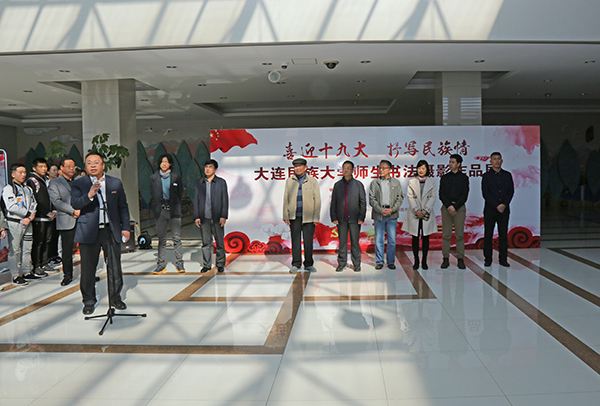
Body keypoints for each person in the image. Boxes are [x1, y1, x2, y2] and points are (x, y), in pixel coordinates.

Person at [71, 152, 131, 315]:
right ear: (85, 166)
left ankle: (116, 298)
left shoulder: (115, 183)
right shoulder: (79, 184)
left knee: (114, 266)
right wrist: (89, 195)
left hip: (110, 230)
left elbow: (123, 207)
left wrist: (125, 227)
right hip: (89, 231)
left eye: (96, 162)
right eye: (89, 163)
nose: (93, 165)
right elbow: (75, 203)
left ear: (103, 165)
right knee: (88, 268)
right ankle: (89, 300)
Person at [1, 163, 38, 285]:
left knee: (27, 248)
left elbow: (34, 203)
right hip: (15, 223)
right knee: (15, 250)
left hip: (28, 222)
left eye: (24, 172)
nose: (23, 175)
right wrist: (27, 214)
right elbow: (11, 206)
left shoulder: (28, 189)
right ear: (13, 174)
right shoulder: (9, 188)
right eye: (20, 172)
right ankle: (16, 275)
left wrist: (31, 216)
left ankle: (27, 271)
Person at [283, 158, 321, 273]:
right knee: (295, 241)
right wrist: (286, 216)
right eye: (296, 166)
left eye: (300, 166)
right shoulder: (290, 181)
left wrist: (316, 217)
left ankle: (309, 264)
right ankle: (296, 263)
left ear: (305, 168)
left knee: (308, 242)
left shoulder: (312, 181)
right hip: (294, 217)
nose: (298, 168)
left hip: (308, 217)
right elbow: (286, 199)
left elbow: (317, 200)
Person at [150, 153, 184, 274]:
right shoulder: (154, 178)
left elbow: (180, 193)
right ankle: (161, 264)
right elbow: (152, 193)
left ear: (170, 164)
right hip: (161, 211)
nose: (164, 164)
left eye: (166, 162)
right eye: (162, 162)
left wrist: (176, 204)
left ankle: (179, 263)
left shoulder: (176, 177)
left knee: (176, 238)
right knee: (161, 239)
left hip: (174, 210)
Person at [48, 157, 80, 286]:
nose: (72, 169)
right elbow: (56, 201)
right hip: (67, 218)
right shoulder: (55, 183)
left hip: (82, 217)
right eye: (69, 166)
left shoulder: (79, 181)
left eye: (73, 166)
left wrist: (80, 210)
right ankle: (67, 275)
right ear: (62, 168)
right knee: (67, 250)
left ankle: (89, 274)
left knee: (86, 248)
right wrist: (73, 210)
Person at [193, 159, 229, 273]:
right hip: (204, 218)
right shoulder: (199, 183)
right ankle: (207, 265)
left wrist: (223, 216)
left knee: (219, 242)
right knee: (206, 243)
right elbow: (196, 200)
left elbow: (225, 200)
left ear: (215, 169)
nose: (207, 169)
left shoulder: (221, 182)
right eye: (206, 167)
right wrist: (196, 216)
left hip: (217, 217)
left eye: (210, 167)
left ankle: (220, 264)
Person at [331, 160, 366, 272]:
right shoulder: (337, 185)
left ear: (353, 170)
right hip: (341, 219)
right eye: (344, 168)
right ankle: (342, 263)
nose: (346, 170)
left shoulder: (358, 185)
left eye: (348, 168)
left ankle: (357, 264)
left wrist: (361, 217)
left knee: (355, 242)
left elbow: (362, 202)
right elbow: (334, 202)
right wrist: (333, 217)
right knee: (342, 242)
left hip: (355, 219)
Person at [402, 160, 437, 270]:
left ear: (427, 170)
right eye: (419, 168)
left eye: (423, 168)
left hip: (426, 213)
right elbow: (410, 197)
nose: (421, 170)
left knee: (426, 237)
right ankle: (416, 260)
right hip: (414, 213)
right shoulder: (412, 181)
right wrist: (417, 210)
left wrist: (425, 210)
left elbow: (433, 197)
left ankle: (424, 261)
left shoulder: (432, 182)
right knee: (415, 237)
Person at [481, 152, 514, 267]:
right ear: (490, 161)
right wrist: (496, 205)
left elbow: (510, 191)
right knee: (488, 236)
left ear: (502, 161)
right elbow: (485, 193)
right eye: (494, 159)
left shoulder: (507, 175)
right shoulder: (486, 176)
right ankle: (488, 259)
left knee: (503, 236)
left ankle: (503, 259)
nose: (497, 161)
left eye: (499, 159)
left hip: (504, 210)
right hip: (490, 210)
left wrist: (504, 204)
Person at [369, 159, 403, 270]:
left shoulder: (396, 183)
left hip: (392, 214)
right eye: (380, 168)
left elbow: (400, 197)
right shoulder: (375, 183)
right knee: (379, 240)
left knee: (392, 240)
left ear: (389, 169)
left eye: (384, 168)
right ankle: (379, 261)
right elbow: (371, 199)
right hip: (379, 214)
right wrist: (380, 210)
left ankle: (390, 262)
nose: (381, 170)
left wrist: (392, 209)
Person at [27, 157, 56, 277]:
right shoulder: (33, 181)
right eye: (41, 167)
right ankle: (36, 265)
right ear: (34, 168)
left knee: (47, 241)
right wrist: (46, 212)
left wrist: (53, 210)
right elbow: (35, 199)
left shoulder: (46, 179)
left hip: (50, 216)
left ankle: (45, 262)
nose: (44, 169)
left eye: (45, 166)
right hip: (39, 216)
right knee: (38, 242)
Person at [439, 154, 469, 270]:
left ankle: (460, 258)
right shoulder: (445, 178)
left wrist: (455, 206)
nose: (450, 164)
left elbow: (464, 195)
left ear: (458, 164)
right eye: (450, 161)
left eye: (453, 162)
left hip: (459, 208)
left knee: (459, 235)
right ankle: (445, 258)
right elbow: (441, 194)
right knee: (446, 235)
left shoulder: (464, 178)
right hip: (446, 208)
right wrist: (449, 206)